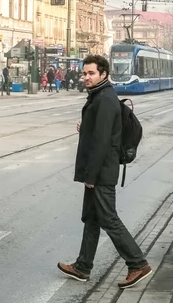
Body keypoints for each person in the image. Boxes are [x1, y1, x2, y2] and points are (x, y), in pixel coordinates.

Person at [57, 54, 152, 290]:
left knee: (109, 219)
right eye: (84, 73)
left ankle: (137, 263)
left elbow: (101, 142)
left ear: (103, 74)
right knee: (91, 219)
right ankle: (82, 267)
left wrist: (91, 177)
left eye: (91, 73)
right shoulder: (100, 96)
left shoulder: (105, 99)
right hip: (98, 171)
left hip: (101, 172)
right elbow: (101, 132)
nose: (86, 77)